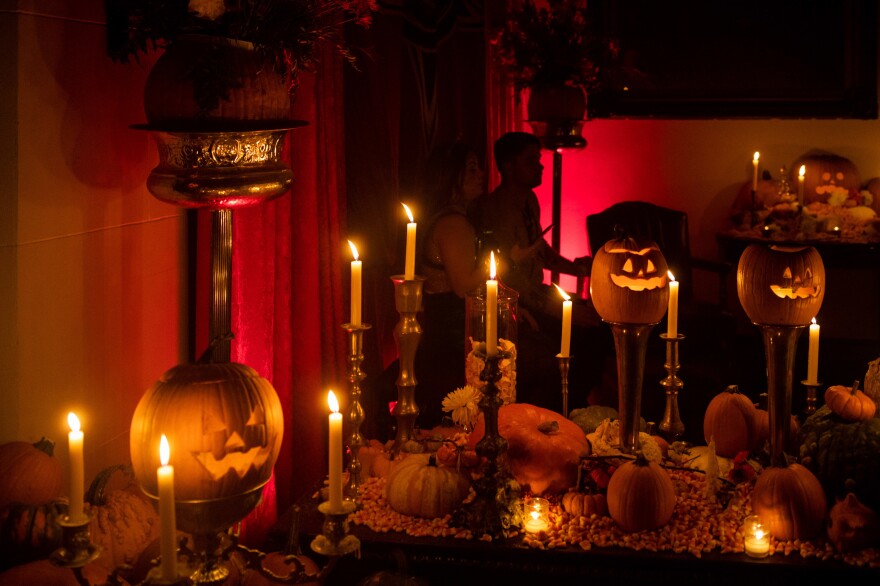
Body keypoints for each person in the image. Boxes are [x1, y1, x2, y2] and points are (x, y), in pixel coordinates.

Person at [474, 131, 609, 411]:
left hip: (538, 294)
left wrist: (574, 268)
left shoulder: (528, 200)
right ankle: (567, 406)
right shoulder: (498, 211)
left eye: (538, 159)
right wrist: (555, 309)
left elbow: (538, 248)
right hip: (515, 302)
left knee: (601, 323)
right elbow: (508, 277)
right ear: (509, 167)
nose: (541, 166)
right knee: (587, 334)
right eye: (531, 160)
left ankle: (575, 402)